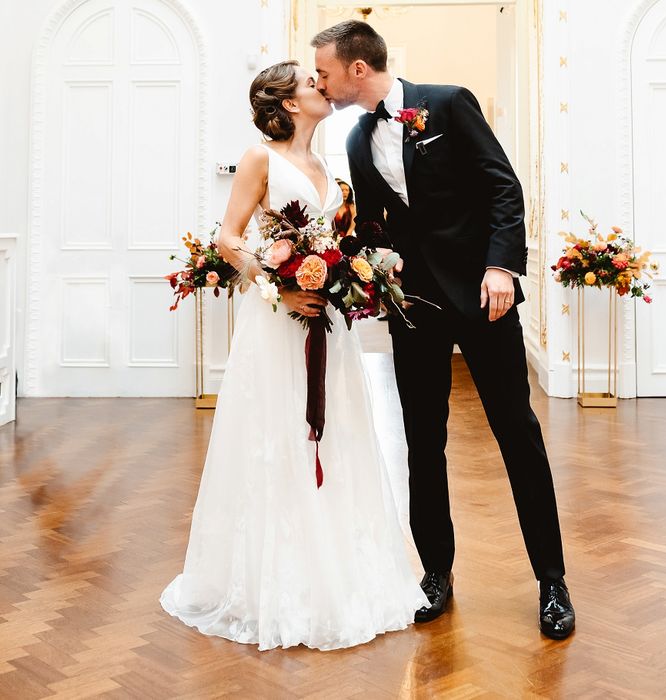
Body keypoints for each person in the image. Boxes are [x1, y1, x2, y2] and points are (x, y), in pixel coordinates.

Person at [312, 21, 576, 640]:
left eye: (324, 71)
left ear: (357, 68)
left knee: (518, 435)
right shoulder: (355, 137)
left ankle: (553, 582)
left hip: (485, 298)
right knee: (422, 443)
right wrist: (352, 265)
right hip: (415, 308)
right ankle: (436, 574)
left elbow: (502, 189)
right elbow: (374, 226)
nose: (319, 82)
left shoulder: (449, 103)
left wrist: (502, 265)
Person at [159, 60, 428, 651]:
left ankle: (339, 570)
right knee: (278, 432)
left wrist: (354, 271)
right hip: (278, 318)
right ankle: (274, 581)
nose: (321, 87)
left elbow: (335, 237)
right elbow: (229, 237)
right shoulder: (260, 158)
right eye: (311, 82)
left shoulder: (325, 163)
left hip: (327, 319)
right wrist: (275, 281)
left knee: (336, 433)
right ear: (285, 102)